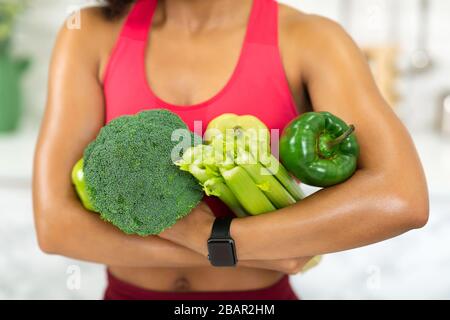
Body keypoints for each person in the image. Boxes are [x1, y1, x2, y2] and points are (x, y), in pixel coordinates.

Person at [33, 0, 429, 300]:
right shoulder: (89, 33)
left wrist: (218, 239)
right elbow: (55, 227)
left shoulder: (311, 38)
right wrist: (223, 244)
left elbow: (400, 197)